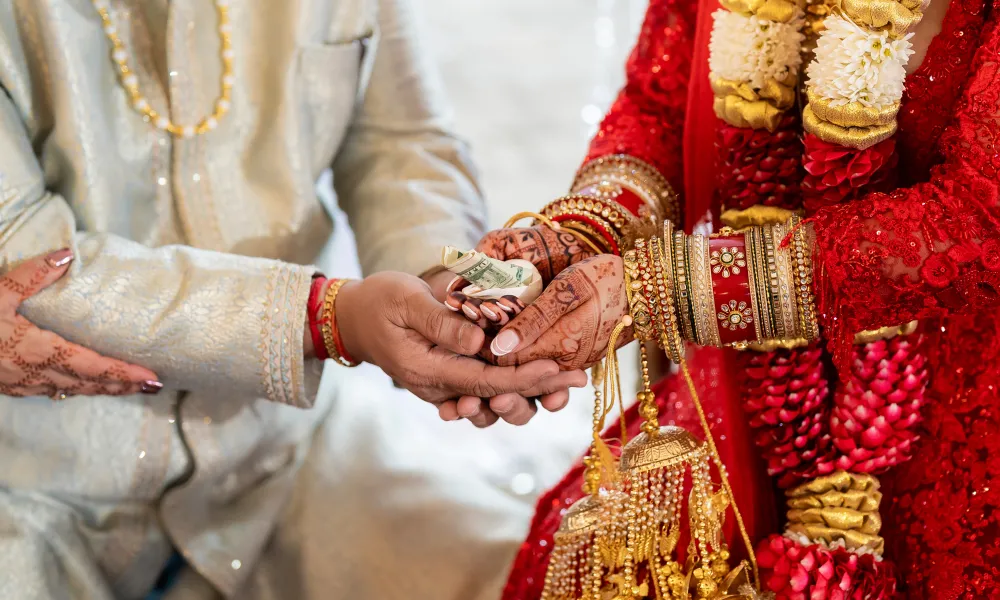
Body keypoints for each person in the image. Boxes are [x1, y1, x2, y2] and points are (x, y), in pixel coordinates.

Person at [0, 1, 589, 598]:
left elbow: (399, 141)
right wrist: (323, 319)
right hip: (39, 483)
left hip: (287, 454)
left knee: (551, 576)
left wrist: (443, 291)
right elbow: (21, 253)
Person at [451, 0, 1000, 596]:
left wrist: (662, 288)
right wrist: (581, 239)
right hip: (753, 392)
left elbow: (976, 220)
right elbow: (658, 105)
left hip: (962, 430)